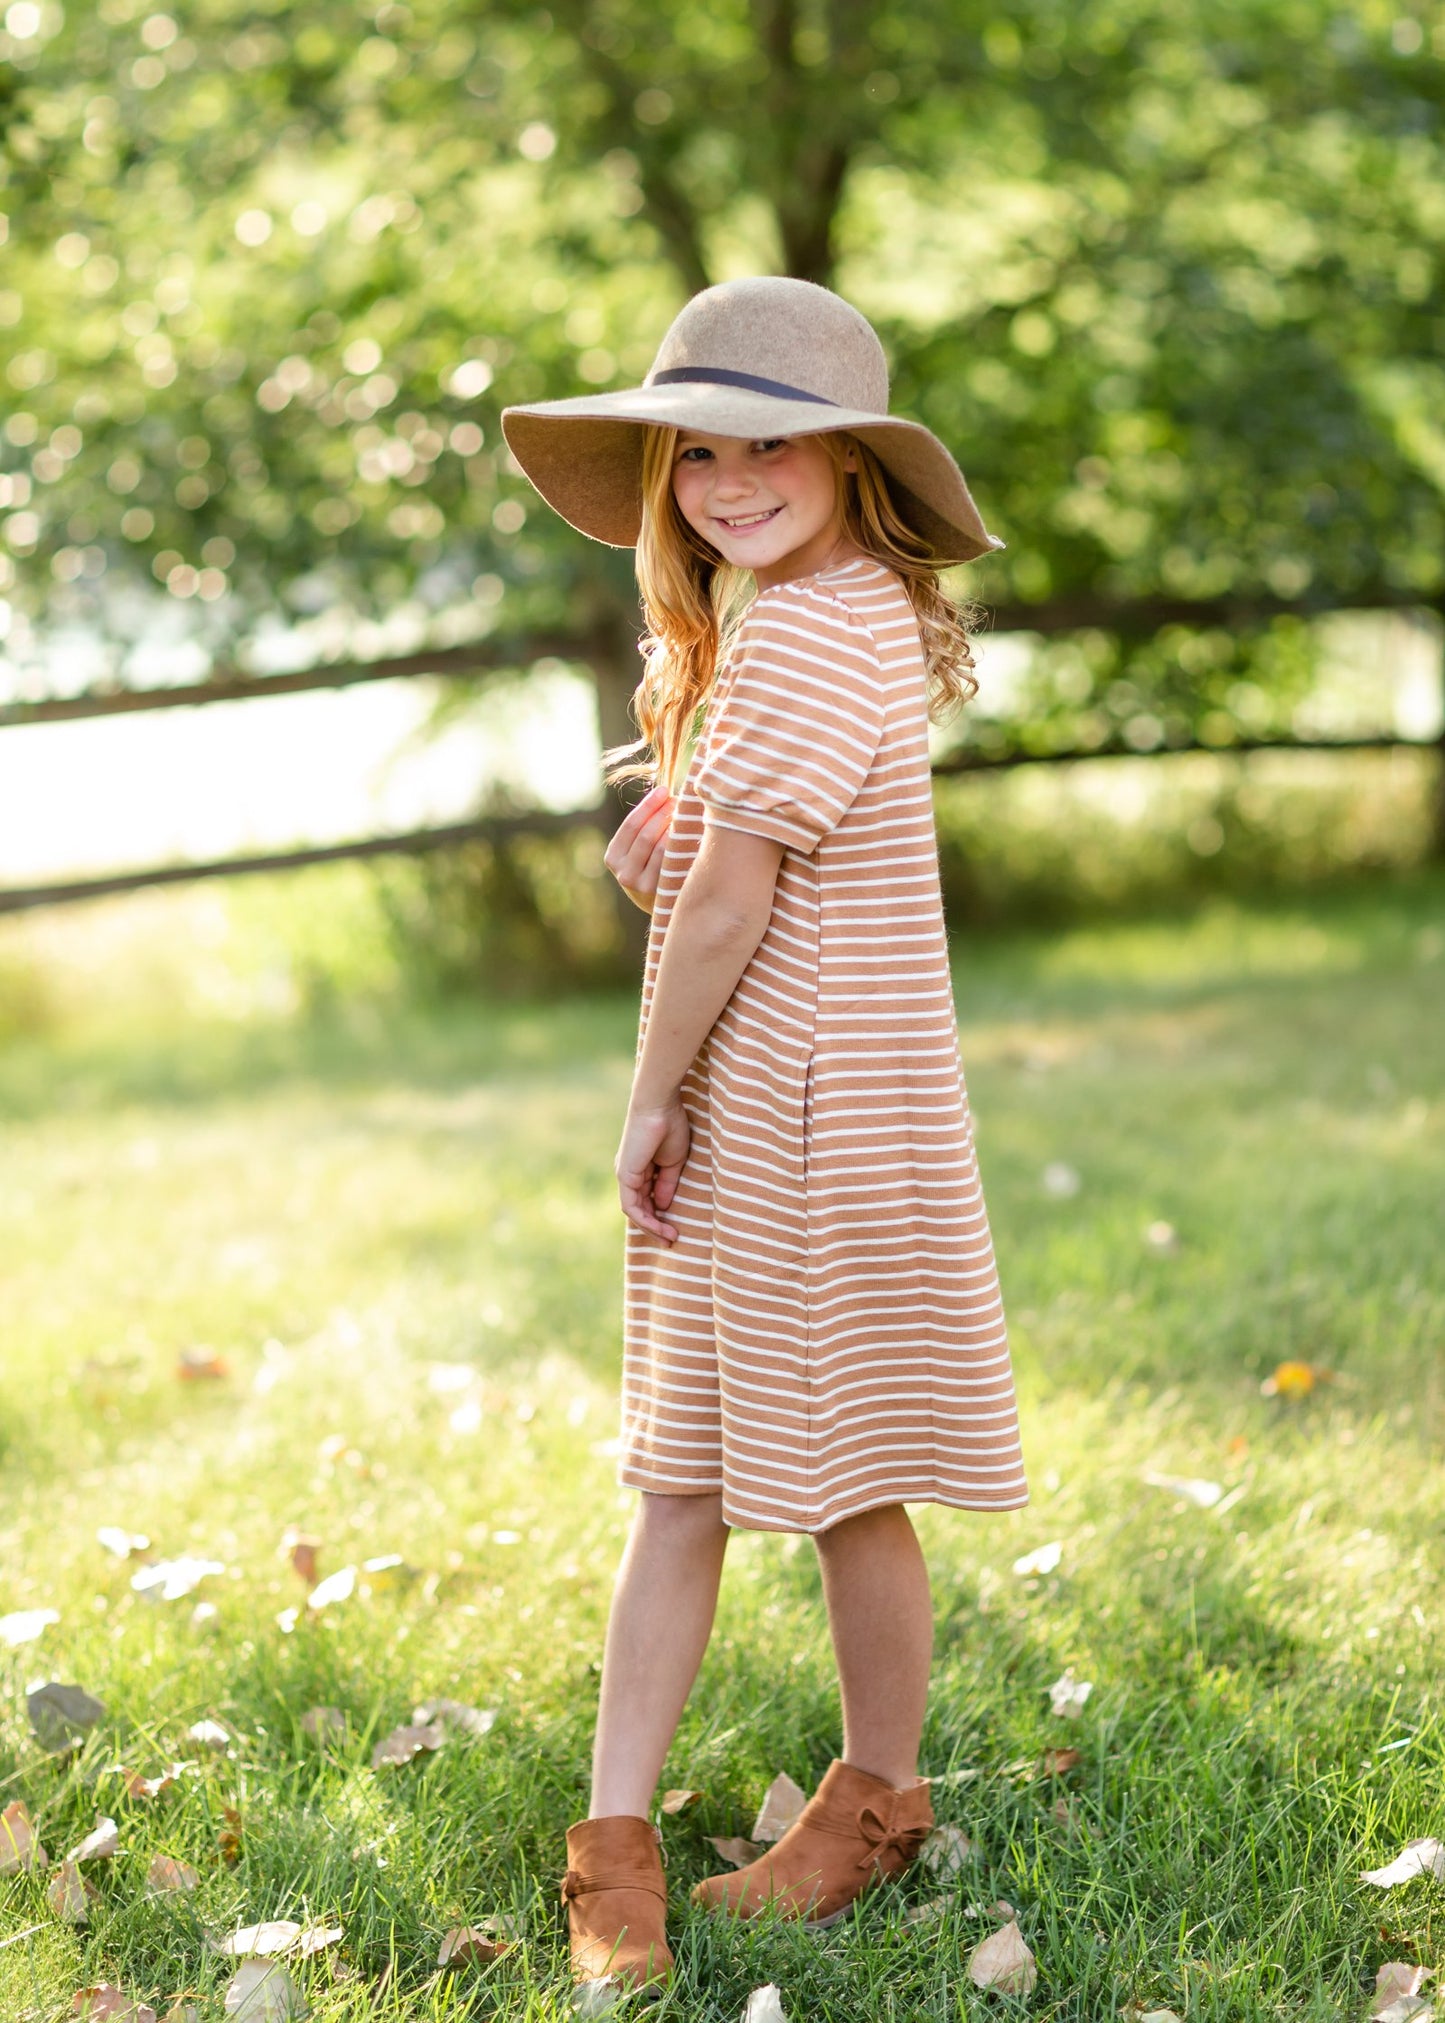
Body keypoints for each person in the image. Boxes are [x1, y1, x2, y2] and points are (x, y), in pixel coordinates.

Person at [502, 275, 1028, 2008]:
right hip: (811, 1097)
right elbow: (741, 854)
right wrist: (677, 833)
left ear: (848, 466)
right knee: (726, 1471)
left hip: (794, 1106)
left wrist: (648, 1092)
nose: (729, 480)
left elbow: (736, 898)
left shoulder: (811, 621)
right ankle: (681, 1834)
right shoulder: (816, 612)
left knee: (791, 1477)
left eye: (771, 450)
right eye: (699, 452)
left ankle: (807, 1818)